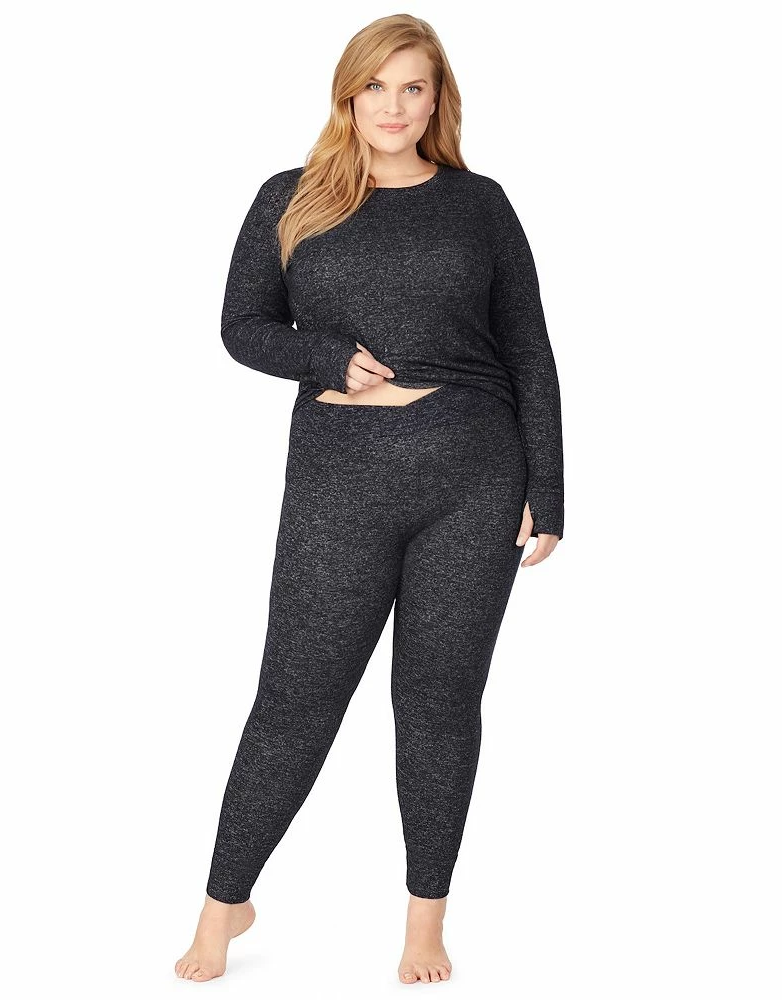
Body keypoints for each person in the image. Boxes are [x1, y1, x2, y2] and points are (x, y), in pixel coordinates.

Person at [176, 13, 563, 986]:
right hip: (339, 477)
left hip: (473, 475)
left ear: (437, 101)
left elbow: (527, 348)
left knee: (437, 701)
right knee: (294, 698)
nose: (393, 106)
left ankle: (425, 923)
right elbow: (241, 325)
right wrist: (322, 356)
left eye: (413, 88)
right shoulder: (292, 196)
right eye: (376, 87)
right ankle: (221, 910)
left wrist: (547, 488)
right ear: (347, 95)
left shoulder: (479, 204)